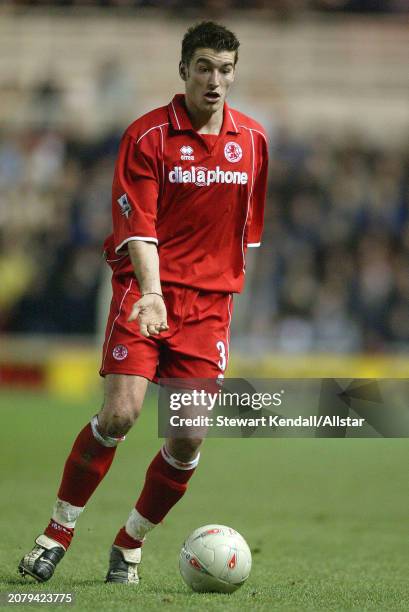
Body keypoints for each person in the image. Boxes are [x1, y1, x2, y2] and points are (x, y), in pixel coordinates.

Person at [18, 20, 268, 585]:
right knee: (122, 412)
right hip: (144, 290)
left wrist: (226, 309)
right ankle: (57, 531)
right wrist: (152, 293)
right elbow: (140, 228)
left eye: (225, 69)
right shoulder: (148, 136)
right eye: (204, 67)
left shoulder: (252, 142)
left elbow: (245, 240)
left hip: (208, 309)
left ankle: (129, 544)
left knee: (187, 438)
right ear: (183, 70)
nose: (215, 80)